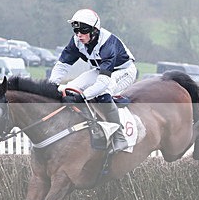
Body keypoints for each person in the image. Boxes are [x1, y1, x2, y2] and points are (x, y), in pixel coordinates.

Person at [49, 9, 137, 152]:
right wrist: (51, 86)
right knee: (69, 88)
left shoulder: (108, 44)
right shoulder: (77, 41)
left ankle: (119, 136)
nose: (79, 35)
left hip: (123, 71)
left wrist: (81, 97)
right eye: (76, 30)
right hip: (100, 70)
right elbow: (62, 65)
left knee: (103, 94)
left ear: (95, 30)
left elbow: (102, 83)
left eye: (83, 31)